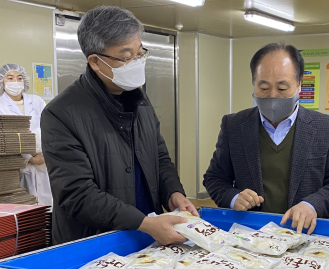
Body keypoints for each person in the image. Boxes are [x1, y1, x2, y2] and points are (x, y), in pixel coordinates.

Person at [41, 6, 197, 245]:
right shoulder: (61, 114)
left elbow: (159, 157)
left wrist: (173, 192)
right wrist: (143, 223)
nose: (136, 62)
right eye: (126, 57)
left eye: (140, 53)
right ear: (95, 61)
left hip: (149, 235)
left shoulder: (139, 100)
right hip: (96, 243)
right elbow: (77, 194)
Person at [203, 43, 329, 235]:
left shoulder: (328, 128)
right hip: (249, 235)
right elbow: (214, 178)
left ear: (299, 84)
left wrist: (311, 205)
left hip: (305, 235)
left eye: (282, 88)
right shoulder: (234, 126)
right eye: (264, 88)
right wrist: (233, 198)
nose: (272, 96)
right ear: (254, 83)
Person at [0, 64, 52, 206]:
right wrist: (29, 159)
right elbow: (4, 139)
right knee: (23, 208)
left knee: (47, 206)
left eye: (19, 78)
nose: (15, 82)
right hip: (16, 166)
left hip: (44, 162)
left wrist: (44, 155)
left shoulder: (37, 101)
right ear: (2, 82)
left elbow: (49, 128)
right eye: (10, 78)